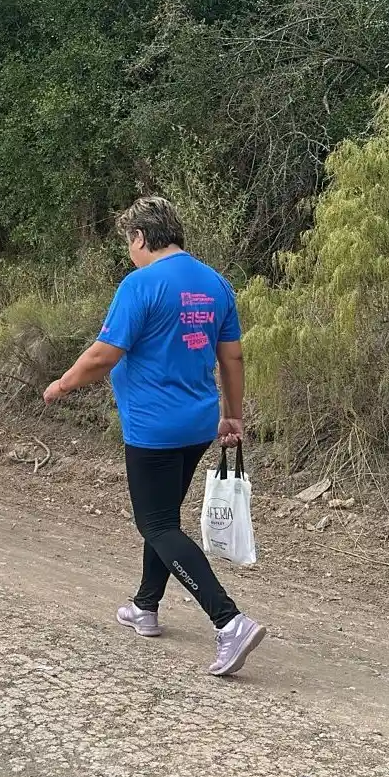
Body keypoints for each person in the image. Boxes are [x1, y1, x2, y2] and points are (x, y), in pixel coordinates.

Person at [43, 195, 264, 678]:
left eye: (130, 244)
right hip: (199, 423)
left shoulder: (140, 284)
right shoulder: (217, 283)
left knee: (157, 524)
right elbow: (233, 359)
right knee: (162, 516)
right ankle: (145, 606)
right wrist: (234, 415)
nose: (131, 253)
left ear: (140, 237)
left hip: (153, 427)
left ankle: (229, 621)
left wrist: (61, 384)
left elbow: (103, 355)